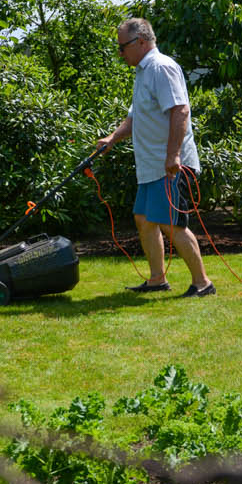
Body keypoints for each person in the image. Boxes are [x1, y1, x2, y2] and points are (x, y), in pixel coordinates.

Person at [96, 18, 215, 297]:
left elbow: (180, 111)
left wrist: (173, 156)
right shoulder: (143, 72)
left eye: (122, 47)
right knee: (144, 219)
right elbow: (136, 118)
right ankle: (156, 279)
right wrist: (112, 138)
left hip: (170, 166)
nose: (120, 53)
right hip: (152, 166)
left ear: (140, 42)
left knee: (171, 224)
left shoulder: (161, 68)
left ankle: (202, 283)